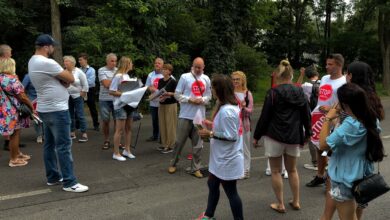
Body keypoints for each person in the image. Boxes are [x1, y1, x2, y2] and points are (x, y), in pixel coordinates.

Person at [321, 61, 386, 220]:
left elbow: (323, 144)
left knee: (346, 215)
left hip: (344, 176)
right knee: (348, 212)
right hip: (360, 172)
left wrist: (328, 119)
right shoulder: (369, 115)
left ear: (344, 104)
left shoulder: (352, 123)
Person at [29, 34, 88, 192]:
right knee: (63, 146)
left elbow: (65, 80)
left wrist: (62, 78)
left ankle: (53, 177)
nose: (53, 49)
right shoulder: (47, 62)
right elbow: (70, 78)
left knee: (49, 145)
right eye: (52, 46)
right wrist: (65, 73)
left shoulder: (32, 61)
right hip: (58, 109)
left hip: (45, 108)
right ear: (46, 47)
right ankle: (70, 182)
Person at [253, 60, 311, 213]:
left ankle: (280, 204)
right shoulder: (300, 92)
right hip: (293, 136)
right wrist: (308, 134)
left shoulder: (273, 92)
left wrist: (256, 136)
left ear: (277, 75)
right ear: (292, 75)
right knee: (292, 170)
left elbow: (264, 117)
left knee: (276, 171)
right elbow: (306, 115)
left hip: (275, 136)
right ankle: (296, 201)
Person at [196, 74, 243, 220]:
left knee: (231, 192)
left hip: (227, 159)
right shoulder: (225, 107)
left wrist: (210, 133)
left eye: (212, 87)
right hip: (220, 159)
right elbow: (226, 129)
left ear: (219, 89)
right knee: (212, 184)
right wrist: (212, 125)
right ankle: (209, 215)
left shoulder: (227, 111)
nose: (211, 89)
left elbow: (231, 136)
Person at [306, 54, 347, 188]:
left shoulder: (344, 82)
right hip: (319, 117)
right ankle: (320, 176)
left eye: (330, 64)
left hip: (334, 119)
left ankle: (331, 178)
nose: (327, 66)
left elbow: (346, 104)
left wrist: (330, 108)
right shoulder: (323, 78)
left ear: (339, 65)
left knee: (331, 149)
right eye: (326, 64)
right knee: (320, 147)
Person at [168, 57, 212, 178]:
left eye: (200, 67)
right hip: (185, 115)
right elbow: (177, 94)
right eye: (196, 67)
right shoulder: (185, 77)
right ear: (192, 66)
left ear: (204, 67)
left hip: (199, 117)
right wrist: (189, 99)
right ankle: (173, 163)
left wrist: (202, 100)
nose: (198, 69)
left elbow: (209, 96)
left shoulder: (206, 78)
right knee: (178, 142)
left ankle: (196, 168)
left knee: (198, 144)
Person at [0, 58, 32, 167]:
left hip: (4, 109)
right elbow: (22, 96)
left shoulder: (0, 78)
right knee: (15, 134)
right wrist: (31, 106)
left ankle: (17, 154)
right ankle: (14, 159)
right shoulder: (12, 79)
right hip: (14, 110)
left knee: (13, 133)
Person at [109, 56, 142, 161]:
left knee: (128, 129)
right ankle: (116, 153)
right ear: (127, 64)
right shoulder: (118, 76)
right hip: (120, 105)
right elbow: (112, 91)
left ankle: (127, 150)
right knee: (119, 130)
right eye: (131, 63)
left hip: (129, 105)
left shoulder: (127, 76)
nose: (132, 65)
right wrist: (126, 94)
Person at [231, 71, 253, 179]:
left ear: (242, 80)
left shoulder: (247, 93)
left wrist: (244, 108)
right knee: (234, 147)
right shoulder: (230, 93)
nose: (235, 81)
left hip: (244, 124)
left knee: (245, 148)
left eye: (237, 79)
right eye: (234, 79)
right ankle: (237, 169)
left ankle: (246, 169)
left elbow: (250, 111)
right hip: (232, 124)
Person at [299, 65, 320, 171]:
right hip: (322, 113)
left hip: (311, 114)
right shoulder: (323, 83)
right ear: (317, 74)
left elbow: (297, 87)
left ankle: (315, 162)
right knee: (323, 136)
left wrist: (301, 75)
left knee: (312, 138)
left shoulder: (305, 85)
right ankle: (325, 160)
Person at [64, 55, 89, 142]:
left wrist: (84, 92)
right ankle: (72, 132)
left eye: (67, 61)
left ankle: (84, 133)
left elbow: (85, 83)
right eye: (64, 61)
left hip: (78, 96)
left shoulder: (79, 71)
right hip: (67, 96)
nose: (65, 63)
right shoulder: (64, 72)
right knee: (70, 115)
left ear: (72, 63)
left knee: (80, 115)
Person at [157, 64, 178, 154]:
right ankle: (165, 144)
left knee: (170, 125)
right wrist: (159, 97)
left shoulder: (173, 81)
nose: (163, 71)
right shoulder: (160, 81)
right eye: (163, 69)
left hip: (171, 104)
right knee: (163, 124)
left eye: (165, 69)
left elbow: (177, 94)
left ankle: (171, 145)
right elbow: (159, 92)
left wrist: (169, 94)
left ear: (169, 71)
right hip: (162, 104)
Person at [98, 53, 117, 150]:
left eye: (115, 61)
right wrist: (116, 80)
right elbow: (106, 84)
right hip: (104, 99)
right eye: (112, 61)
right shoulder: (101, 70)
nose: (114, 63)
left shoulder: (118, 70)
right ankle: (106, 140)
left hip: (115, 99)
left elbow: (122, 84)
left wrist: (112, 81)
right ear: (107, 61)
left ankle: (117, 141)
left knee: (117, 121)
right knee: (106, 121)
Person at [78, 53, 99, 131]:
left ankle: (96, 124)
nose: (79, 61)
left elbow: (91, 82)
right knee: (78, 107)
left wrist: (81, 81)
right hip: (80, 90)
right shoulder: (78, 70)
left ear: (86, 60)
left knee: (92, 107)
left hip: (90, 90)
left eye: (81, 60)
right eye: (79, 60)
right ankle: (78, 125)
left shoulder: (91, 70)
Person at [145, 57, 164, 142]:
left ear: (162, 65)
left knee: (162, 120)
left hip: (162, 101)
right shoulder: (150, 75)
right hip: (153, 101)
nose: (157, 64)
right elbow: (147, 86)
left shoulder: (165, 74)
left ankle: (162, 137)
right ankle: (155, 135)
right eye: (156, 63)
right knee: (154, 120)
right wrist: (150, 88)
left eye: (159, 63)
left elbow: (172, 85)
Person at [22, 73, 43, 144]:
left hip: (44, 99)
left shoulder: (43, 75)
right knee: (38, 118)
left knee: (46, 118)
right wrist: (26, 100)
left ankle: (46, 134)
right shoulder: (28, 76)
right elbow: (22, 88)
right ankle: (39, 135)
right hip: (33, 100)